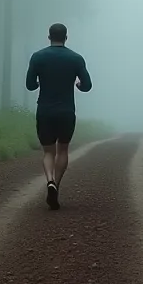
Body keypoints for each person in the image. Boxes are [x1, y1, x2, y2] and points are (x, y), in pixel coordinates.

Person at [25, 22, 92, 210]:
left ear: (49, 37)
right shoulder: (76, 58)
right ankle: (57, 185)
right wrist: (77, 85)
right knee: (63, 150)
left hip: (45, 110)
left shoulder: (38, 57)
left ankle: (50, 180)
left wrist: (39, 82)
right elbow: (87, 85)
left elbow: (30, 85)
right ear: (66, 37)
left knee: (48, 152)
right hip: (66, 111)